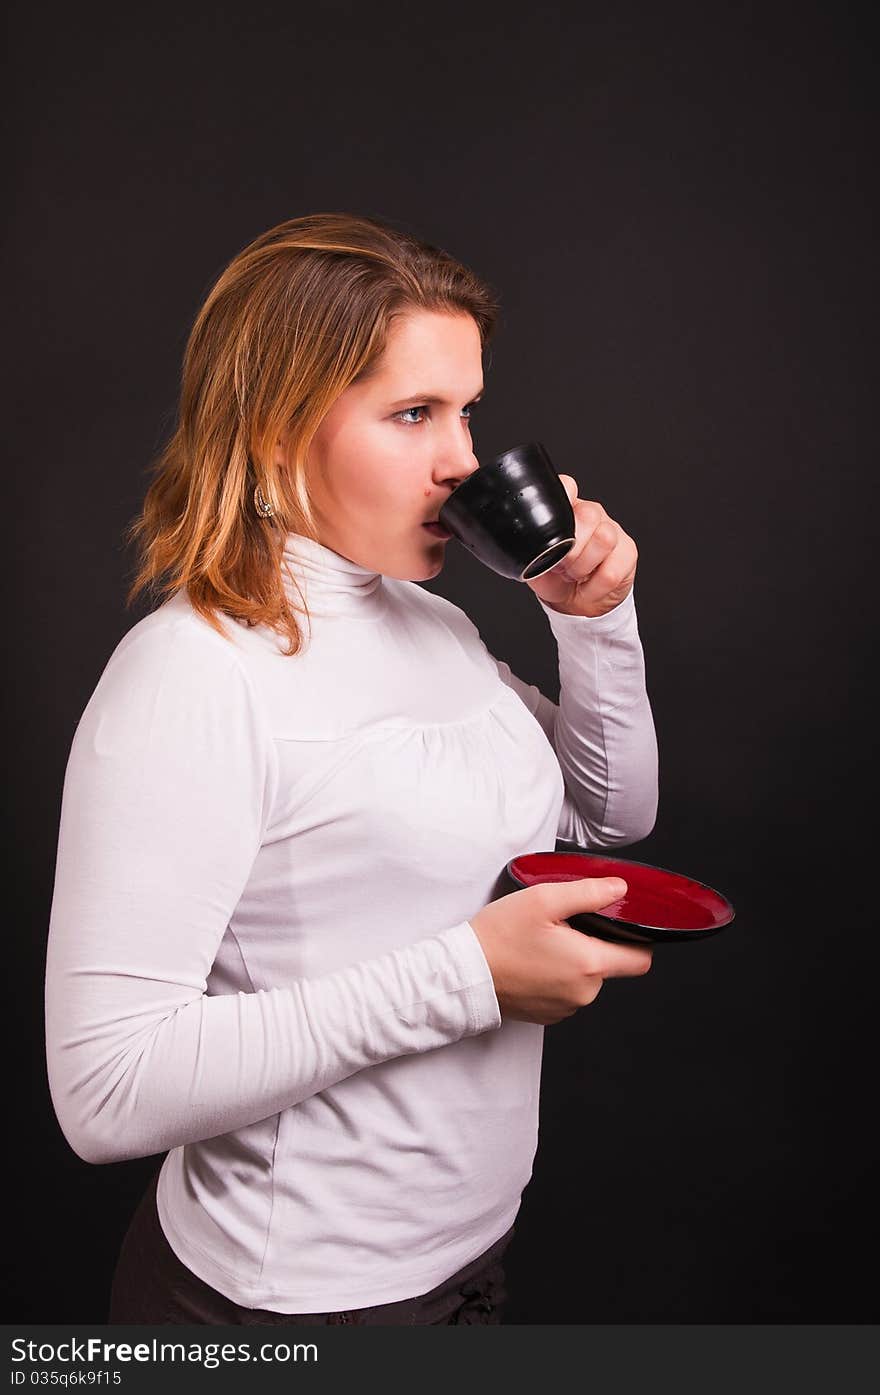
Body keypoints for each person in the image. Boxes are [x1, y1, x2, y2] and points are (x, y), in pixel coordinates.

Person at [44, 212, 659, 1326]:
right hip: (289, 1311)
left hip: (465, 1263)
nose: (463, 460)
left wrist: (597, 624)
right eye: (413, 414)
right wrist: (466, 978)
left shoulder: (432, 625)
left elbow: (603, 823)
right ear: (277, 430)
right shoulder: (193, 675)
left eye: (466, 411)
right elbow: (106, 1091)